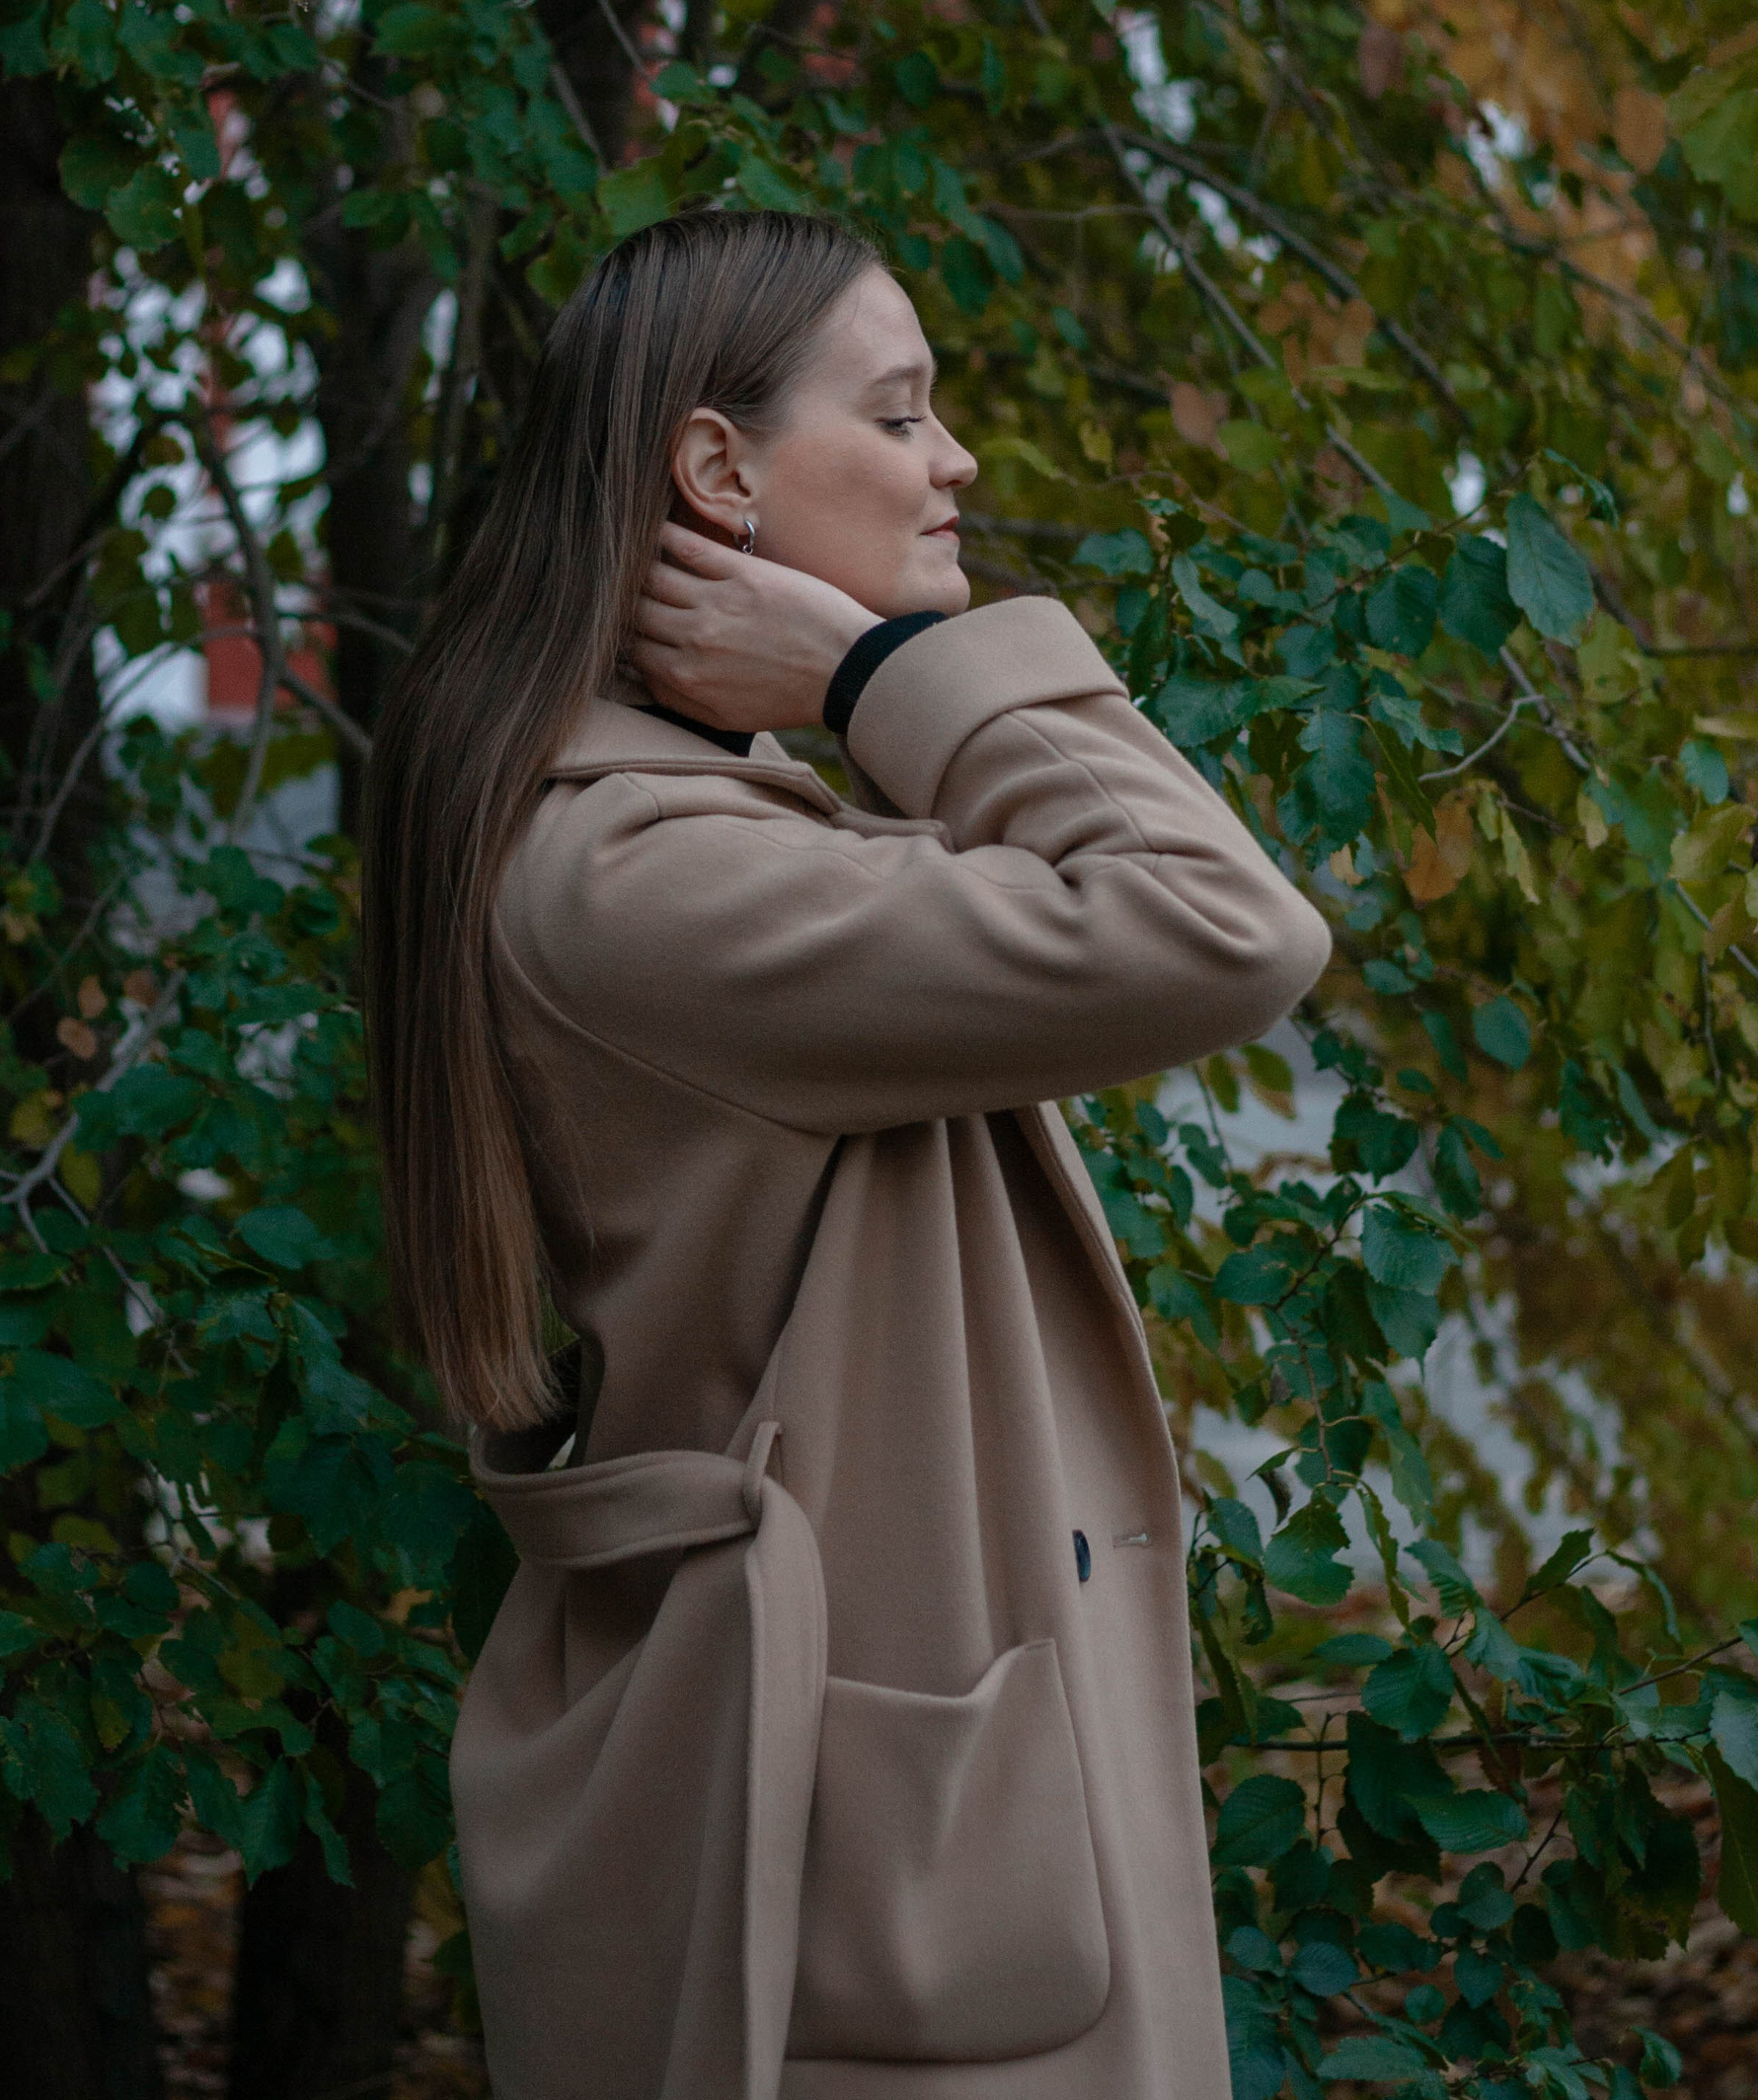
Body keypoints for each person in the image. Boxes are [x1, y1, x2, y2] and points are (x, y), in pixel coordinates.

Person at [363, 208, 1332, 2100]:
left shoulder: (701, 825)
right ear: (716, 471)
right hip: (870, 1839)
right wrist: (880, 667)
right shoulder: (640, 882)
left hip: (890, 1775)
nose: (953, 461)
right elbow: (1225, 926)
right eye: (898, 414)